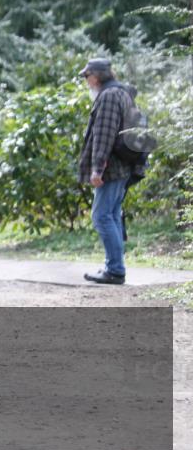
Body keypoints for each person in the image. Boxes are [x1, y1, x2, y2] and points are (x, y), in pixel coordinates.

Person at [77, 58, 139, 285]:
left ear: (96, 76)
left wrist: (97, 169)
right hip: (122, 166)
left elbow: (104, 135)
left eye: (87, 76)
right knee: (111, 215)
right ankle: (114, 267)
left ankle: (115, 269)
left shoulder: (109, 96)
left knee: (101, 216)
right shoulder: (121, 92)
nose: (86, 81)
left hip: (112, 168)